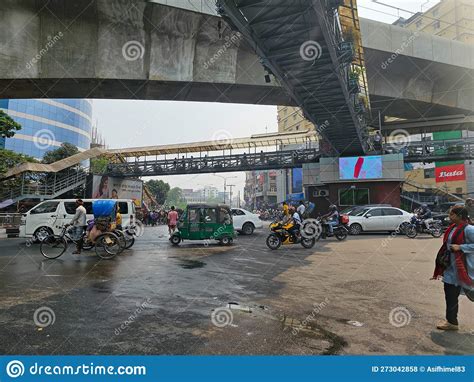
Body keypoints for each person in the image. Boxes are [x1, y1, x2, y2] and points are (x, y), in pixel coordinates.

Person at [432, 205, 474, 331]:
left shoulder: (469, 229)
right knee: (450, 296)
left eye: (451, 214)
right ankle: (452, 322)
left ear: (459, 216)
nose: (449, 216)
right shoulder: (452, 228)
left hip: (466, 271)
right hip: (452, 270)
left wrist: (461, 247)